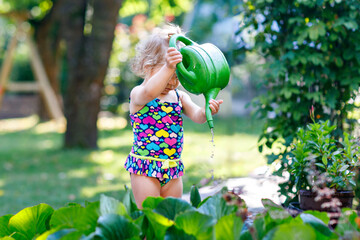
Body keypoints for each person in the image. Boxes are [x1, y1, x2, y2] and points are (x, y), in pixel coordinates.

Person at [124, 24, 223, 209]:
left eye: (178, 75)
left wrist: (207, 110)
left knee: (171, 219)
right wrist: (169, 66)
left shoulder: (179, 96)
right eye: (169, 73)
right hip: (146, 168)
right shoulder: (139, 94)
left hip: (173, 168)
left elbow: (197, 116)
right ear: (148, 66)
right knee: (150, 220)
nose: (173, 81)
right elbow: (150, 91)